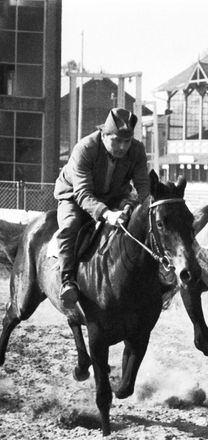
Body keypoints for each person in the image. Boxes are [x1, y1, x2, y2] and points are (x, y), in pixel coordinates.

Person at [54, 108, 150, 308]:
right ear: (104, 135)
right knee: (70, 226)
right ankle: (67, 280)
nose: (122, 147)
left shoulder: (138, 150)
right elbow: (83, 194)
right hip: (74, 196)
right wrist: (107, 214)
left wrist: (139, 205)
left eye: (127, 141)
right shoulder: (85, 148)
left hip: (115, 196)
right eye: (116, 141)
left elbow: (143, 187)